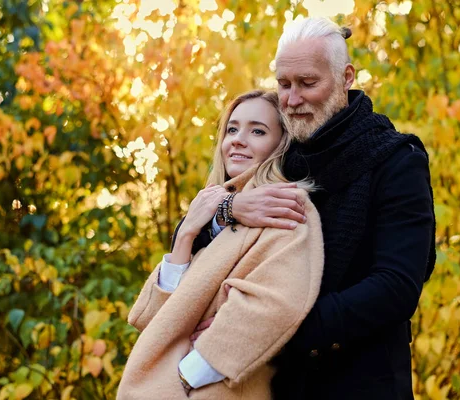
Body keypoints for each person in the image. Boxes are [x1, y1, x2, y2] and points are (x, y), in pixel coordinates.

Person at [190, 17, 437, 399]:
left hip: (361, 384)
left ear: (346, 77)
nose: (291, 99)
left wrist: (270, 332)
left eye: (308, 84)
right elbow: (192, 235)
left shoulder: (396, 160)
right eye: (283, 85)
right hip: (273, 385)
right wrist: (230, 208)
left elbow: (396, 287)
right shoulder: (279, 156)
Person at [116, 90, 324, 400]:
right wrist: (186, 233)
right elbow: (157, 319)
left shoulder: (285, 205)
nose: (238, 139)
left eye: (257, 130)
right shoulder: (216, 213)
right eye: (232, 129)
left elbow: (272, 303)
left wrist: (189, 373)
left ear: (280, 143)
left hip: (215, 389)